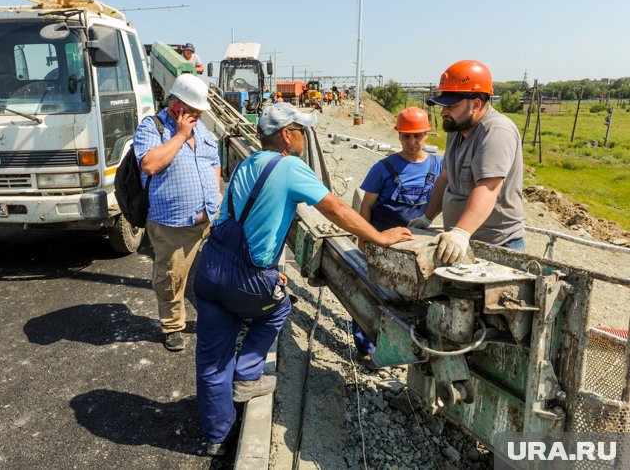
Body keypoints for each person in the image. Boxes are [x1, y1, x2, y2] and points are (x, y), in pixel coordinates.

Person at [191, 102, 413, 455]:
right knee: (277, 309)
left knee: (211, 360)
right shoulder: (291, 166)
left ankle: (216, 437)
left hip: (209, 268)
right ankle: (248, 376)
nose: (303, 137)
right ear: (286, 135)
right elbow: (336, 209)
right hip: (247, 281)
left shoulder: (247, 162)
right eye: (300, 131)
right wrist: (380, 237)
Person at [133, 73, 220, 352]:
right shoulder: (153, 127)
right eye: (193, 110)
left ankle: (215, 318)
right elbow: (149, 164)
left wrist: (212, 198)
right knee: (171, 278)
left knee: (213, 275)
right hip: (173, 224)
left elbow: (214, 162)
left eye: (198, 111)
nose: (196, 115)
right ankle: (172, 326)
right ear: (176, 104)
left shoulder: (202, 129)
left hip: (207, 219)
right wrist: (181, 135)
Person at [353, 107, 443, 370]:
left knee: (411, 295)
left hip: (414, 244)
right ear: (399, 136)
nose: (412, 143)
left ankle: (405, 344)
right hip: (382, 240)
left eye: (417, 136)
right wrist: (364, 237)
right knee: (374, 294)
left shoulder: (439, 167)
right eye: (406, 137)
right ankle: (367, 348)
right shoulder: (383, 168)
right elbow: (366, 207)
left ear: (427, 134)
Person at [409, 60, 525, 262]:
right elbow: (446, 178)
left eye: (451, 105)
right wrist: (428, 217)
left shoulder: (496, 131)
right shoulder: (457, 129)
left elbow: (488, 188)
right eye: (442, 105)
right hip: (461, 244)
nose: (443, 111)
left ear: (476, 104)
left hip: (496, 248)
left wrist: (461, 232)